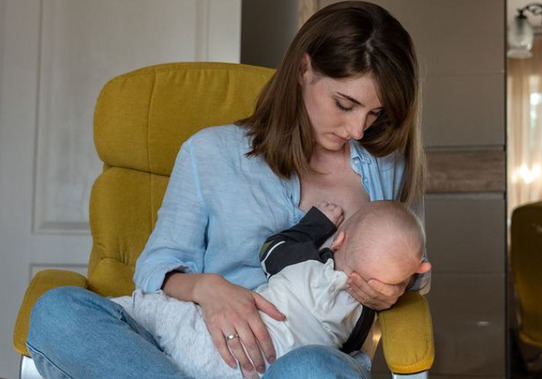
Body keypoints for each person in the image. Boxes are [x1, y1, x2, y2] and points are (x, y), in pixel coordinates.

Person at [27, 1, 431, 378]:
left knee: (312, 367)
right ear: (304, 69)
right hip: (192, 349)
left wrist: (393, 288)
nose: (358, 129)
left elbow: (405, 264)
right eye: (345, 104)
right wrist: (210, 290)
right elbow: (155, 269)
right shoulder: (210, 153)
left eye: (374, 113)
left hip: (300, 357)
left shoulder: (383, 167)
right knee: (57, 312)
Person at [110, 200, 428, 379]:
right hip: (264, 370)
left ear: (340, 241)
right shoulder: (362, 314)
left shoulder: (308, 263)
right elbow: (349, 350)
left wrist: (319, 224)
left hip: (209, 344)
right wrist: (405, 282)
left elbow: (273, 248)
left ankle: (118, 312)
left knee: (149, 311)